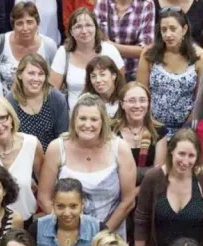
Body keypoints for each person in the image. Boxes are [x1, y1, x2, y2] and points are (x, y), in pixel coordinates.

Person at [38, 94, 138, 237]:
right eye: (82, 118)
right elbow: (44, 198)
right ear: (73, 120)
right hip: (67, 236)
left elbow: (128, 201)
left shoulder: (120, 148)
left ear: (103, 122)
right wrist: (70, 231)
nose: (87, 124)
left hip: (109, 237)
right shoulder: (57, 148)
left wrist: (101, 234)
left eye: (94, 119)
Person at [137, 9, 203, 136]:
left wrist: (186, 129)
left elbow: (200, 100)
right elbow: (141, 93)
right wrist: (150, 123)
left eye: (173, 29)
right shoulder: (148, 54)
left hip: (186, 128)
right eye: (164, 29)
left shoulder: (201, 57)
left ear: (184, 29)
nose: (168, 34)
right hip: (152, 125)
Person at [93, 0, 155, 79]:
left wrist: (111, 45)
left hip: (134, 73)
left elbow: (145, 51)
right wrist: (130, 49)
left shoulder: (146, 4)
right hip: (106, 72)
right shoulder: (102, 2)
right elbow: (95, 42)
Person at [51, 8, 125, 110]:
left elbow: (120, 86)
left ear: (96, 28)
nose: (84, 31)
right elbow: (53, 91)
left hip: (109, 114)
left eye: (88, 25)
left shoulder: (110, 50)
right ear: (71, 32)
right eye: (78, 27)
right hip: (75, 116)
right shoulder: (63, 52)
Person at [0, 2, 57, 97]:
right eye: (19, 23)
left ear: (38, 24)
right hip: (3, 105)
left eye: (29, 22)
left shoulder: (49, 46)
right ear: (13, 26)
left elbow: (55, 83)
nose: (25, 28)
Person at [8, 54, 70, 151]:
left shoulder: (56, 99)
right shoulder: (10, 101)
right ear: (20, 74)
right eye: (31, 73)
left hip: (52, 156)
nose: (36, 79)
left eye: (41, 74)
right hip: (22, 157)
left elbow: (63, 138)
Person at [115, 81, 169, 183]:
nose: (137, 105)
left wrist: (134, 193)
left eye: (142, 100)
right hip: (117, 189)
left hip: (147, 190)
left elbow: (158, 174)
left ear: (148, 103)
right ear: (122, 104)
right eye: (131, 101)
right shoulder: (111, 131)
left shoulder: (160, 131)